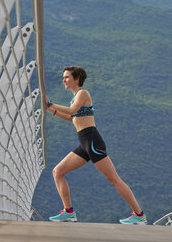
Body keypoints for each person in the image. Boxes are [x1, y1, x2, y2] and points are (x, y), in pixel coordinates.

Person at [46, 66, 146, 225]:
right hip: (84, 143)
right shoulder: (75, 98)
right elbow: (73, 119)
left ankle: (139, 215)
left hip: (92, 142)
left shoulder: (83, 93)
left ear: (76, 79)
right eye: (63, 77)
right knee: (58, 171)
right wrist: (50, 110)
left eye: (66, 77)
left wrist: (51, 103)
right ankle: (69, 212)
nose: (63, 80)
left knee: (114, 179)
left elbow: (72, 110)